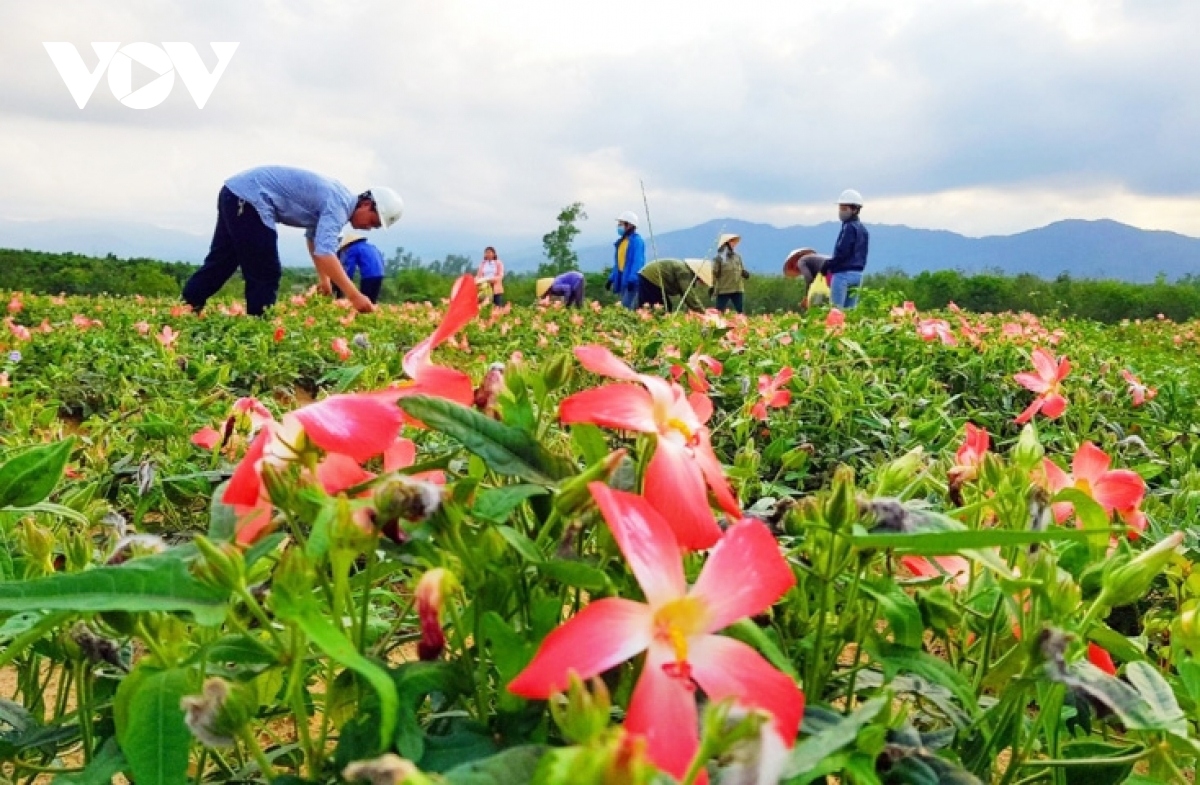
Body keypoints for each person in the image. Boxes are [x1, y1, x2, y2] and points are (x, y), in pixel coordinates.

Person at [182, 165, 403, 316]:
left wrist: (324, 281)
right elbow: (325, 252)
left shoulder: (339, 202)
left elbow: (314, 239)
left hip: (235, 192)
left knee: (223, 261)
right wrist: (355, 296)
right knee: (265, 270)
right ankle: (259, 327)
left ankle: (187, 307)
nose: (369, 228)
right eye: (373, 221)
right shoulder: (339, 205)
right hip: (250, 198)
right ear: (367, 204)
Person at [824, 189, 870, 309]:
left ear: (854, 210)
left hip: (842, 274)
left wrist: (828, 265)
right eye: (840, 208)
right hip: (858, 274)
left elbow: (842, 252)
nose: (841, 212)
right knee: (850, 314)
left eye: (844, 209)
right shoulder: (863, 230)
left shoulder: (849, 228)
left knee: (836, 313)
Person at [637, 258, 712, 313]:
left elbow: (685, 294)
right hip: (651, 279)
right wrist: (703, 312)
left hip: (649, 277)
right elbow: (687, 293)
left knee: (660, 307)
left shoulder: (687, 272)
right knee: (662, 308)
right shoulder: (684, 272)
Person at [607, 210, 645, 309]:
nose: (619, 227)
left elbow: (637, 262)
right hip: (623, 280)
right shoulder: (622, 242)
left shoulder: (637, 241)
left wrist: (633, 279)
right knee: (624, 306)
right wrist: (611, 278)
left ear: (629, 225)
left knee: (627, 307)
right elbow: (618, 263)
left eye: (621, 224)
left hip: (632, 282)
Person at [334, 232, 385, 303]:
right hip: (380, 274)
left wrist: (346, 280)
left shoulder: (353, 249)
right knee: (373, 300)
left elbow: (350, 267)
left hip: (368, 276)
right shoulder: (371, 246)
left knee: (364, 300)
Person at [711, 233, 749, 313]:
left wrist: (744, 273)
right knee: (719, 311)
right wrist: (712, 286)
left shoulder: (737, 257)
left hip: (737, 288)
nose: (734, 244)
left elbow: (741, 269)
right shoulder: (719, 258)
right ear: (726, 244)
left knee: (740, 310)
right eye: (731, 241)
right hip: (724, 289)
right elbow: (714, 273)